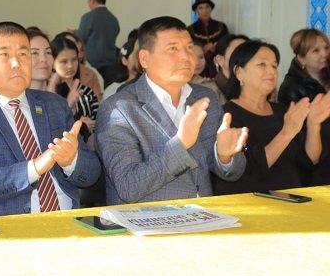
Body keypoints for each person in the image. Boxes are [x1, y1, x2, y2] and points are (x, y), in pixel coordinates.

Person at [0, 22, 101, 218]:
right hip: (9, 229)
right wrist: (32, 169)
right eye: (4, 55)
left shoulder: (55, 105)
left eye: (23, 54)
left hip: (68, 222)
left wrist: (71, 161)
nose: (16, 63)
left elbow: (92, 173)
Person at [96, 16, 248, 205]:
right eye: (173, 49)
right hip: (147, 220)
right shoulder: (118, 109)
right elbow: (129, 186)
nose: (186, 57)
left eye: (189, 48)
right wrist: (181, 143)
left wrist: (224, 156)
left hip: (204, 215)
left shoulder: (204, 98)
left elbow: (232, 172)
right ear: (144, 58)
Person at [213, 40, 330, 195]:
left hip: (292, 199)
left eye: (274, 66)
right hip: (251, 202)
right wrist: (286, 133)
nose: (271, 71)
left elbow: (309, 161)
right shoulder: (227, 115)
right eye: (262, 64)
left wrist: (314, 124)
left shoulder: (281, 111)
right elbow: (247, 171)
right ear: (239, 72)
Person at [278, 29, 330, 185]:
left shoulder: (326, 76)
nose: (324, 54)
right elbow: (298, 141)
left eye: (326, 48)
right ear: (301, 58)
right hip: (312, 167)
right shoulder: (291, 88)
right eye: (316, 51)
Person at [48, 36, 99, 142]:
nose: (70, 66)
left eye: (74, 60)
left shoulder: (87, 92)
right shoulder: (47, 92)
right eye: (64, 61)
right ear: (52, 63)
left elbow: (97, 124)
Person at [77, 0, 120, 85]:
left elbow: (80, 40)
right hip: (111, 64)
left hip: (92, 64)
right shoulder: (113, 19)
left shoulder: (88, 17)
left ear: (92, 0)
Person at [187, 0, 229, 78]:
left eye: (207, 7)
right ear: (196, 11)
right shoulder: (190, 30)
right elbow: (188, 50)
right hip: (197, 68)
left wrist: (217, 48)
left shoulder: (221, 26)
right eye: (201, 8)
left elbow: (227, 46)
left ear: (211, 9)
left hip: (218, 66)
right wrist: (202, 50)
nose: (204, 11)